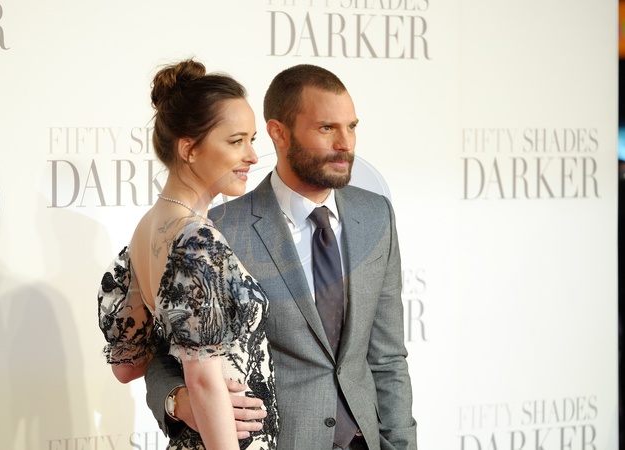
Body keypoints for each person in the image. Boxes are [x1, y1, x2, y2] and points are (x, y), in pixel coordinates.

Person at [145, 63, 418, 450]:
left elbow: (388, 357)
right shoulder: (217, 230)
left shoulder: (376, 215)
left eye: (352, 127)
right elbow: (162, 357)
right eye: (327, 128)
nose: (346, 143)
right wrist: (179, 401)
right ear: (279, 132)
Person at [97, 58, 279, 450]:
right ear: (189, 149)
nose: (252, 156)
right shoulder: (198, 240)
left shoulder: (147, 230)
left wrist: (179, 399)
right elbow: (204, 380)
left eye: (252, 141)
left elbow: (127, 366)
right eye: (236, 141)